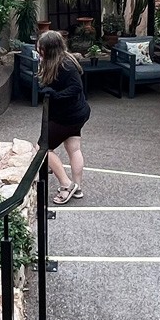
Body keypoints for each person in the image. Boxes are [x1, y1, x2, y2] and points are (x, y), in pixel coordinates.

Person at [36, 30, 90, 205]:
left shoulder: (65, 65)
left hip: (68, 116)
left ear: (50, 50)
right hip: (77, 113)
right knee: (73, 148)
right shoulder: (60, 59)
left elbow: (76, 88)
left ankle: (66, 185)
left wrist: (54, 95)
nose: (39, 52)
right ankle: (78, 187)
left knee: (43, 149)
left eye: (41, 49)